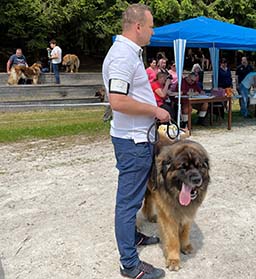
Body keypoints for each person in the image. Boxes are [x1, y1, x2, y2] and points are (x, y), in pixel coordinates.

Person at [102, 4, 169, 279]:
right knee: (128, 203)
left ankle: (135, 238)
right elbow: (117, 101)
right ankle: (129, 265)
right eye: (151, 26)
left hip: (136, 138)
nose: (153, 32)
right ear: (138, 26)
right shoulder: (122, 56)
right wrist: (155, 110)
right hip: (133, 142)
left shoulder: (129, 54)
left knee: (134, 196)